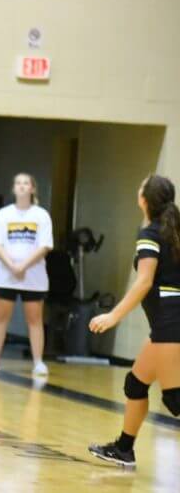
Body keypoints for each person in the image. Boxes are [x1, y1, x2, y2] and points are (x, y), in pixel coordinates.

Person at [88, 175, 180, 469]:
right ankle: (124, 449)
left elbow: (144, 282)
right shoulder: (173, 231)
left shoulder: (151, 235)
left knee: (175, 399)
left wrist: (113, 315)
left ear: (144, 199)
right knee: (136, 384)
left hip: (170, 321)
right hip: (165, 324)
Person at [0, 173, 53, 376]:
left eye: (26, 183)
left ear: (32, 188)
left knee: (35, 319)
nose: (22, 186)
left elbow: (45, 245)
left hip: (33, 276)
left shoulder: (41, 216)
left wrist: (24, 265)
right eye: (18, 183)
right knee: (0, 317)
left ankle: (38, 361)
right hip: (6, 274)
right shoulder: (4, 214)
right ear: (14, 188)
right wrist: (12, 264)